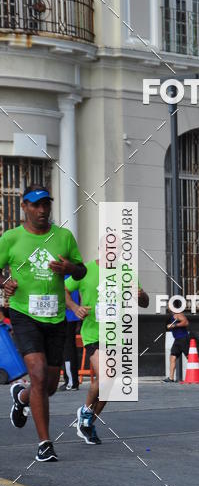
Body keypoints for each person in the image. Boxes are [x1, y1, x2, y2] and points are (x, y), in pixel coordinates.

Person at [0, 185, 86, 461]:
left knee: (48, 386)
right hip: (24, 314)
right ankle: (45, 443)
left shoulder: (63, 236)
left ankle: (22, 397)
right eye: (35, 205)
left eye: (46, 205)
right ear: (24, 207)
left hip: (57, 317)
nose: (41, 210)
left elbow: (81, 269)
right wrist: (5, 284)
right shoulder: (11, 238)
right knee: (37, 375)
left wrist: (69, 269)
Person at [65, 254, 149, 444]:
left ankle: (88, 424)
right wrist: (74, 307)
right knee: (107, 376)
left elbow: (144, 301)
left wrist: (141, 296)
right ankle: (85, 411)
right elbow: (63, 289)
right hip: (93, 334)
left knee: (109, 385)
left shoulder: (125, 272)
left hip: (116, 335)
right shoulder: (85, 270)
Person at [163, 307, 199, 382]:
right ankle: (171, 378)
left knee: (190, 357)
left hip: (183, 338)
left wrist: (174, 326)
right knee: (172, 357)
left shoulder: (178, 314)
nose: (168, 308)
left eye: (169, 306)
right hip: (177, 340)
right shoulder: (173, 316)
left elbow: (186, 322)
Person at [60, 285, 81, 390]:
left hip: (68, 314)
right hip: (68, 314)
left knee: (67, 348)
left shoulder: (67, 275)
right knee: (67, 347)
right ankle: (71, 380)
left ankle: (71, 381)